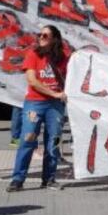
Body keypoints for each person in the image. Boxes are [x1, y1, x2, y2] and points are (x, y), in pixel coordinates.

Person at [7, 25, 69, 192]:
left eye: (45, 35)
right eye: (39, 35)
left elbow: (72, 78)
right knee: (27, 140)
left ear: (55, 39)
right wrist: (54, 94)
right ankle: (17, 179)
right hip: (35, 103)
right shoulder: (33, 54)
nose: (41, 38)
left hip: (55, 106)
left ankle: (49, 179)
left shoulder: (63, 58)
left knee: (54, 142)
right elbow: (32, 81)